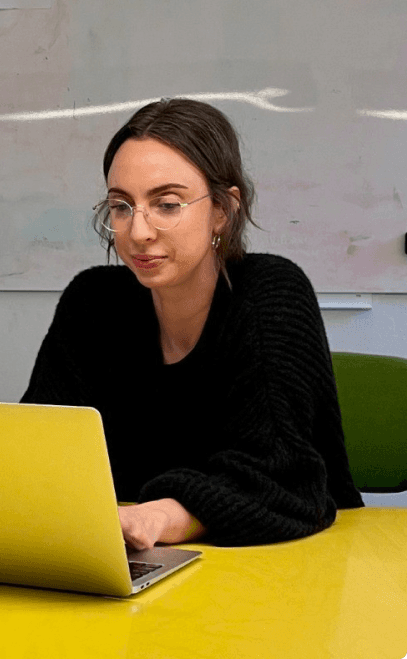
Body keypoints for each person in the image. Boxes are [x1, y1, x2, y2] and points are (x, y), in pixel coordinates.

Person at [20, 98, 364, 549]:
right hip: (123, 557)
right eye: (121, 207)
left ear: (222, 209)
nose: (138, 231)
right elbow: (37, 447)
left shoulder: (270, 294)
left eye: (166, 204)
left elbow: (283, 481)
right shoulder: (93, 302)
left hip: (288, 562)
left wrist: (163, 516)